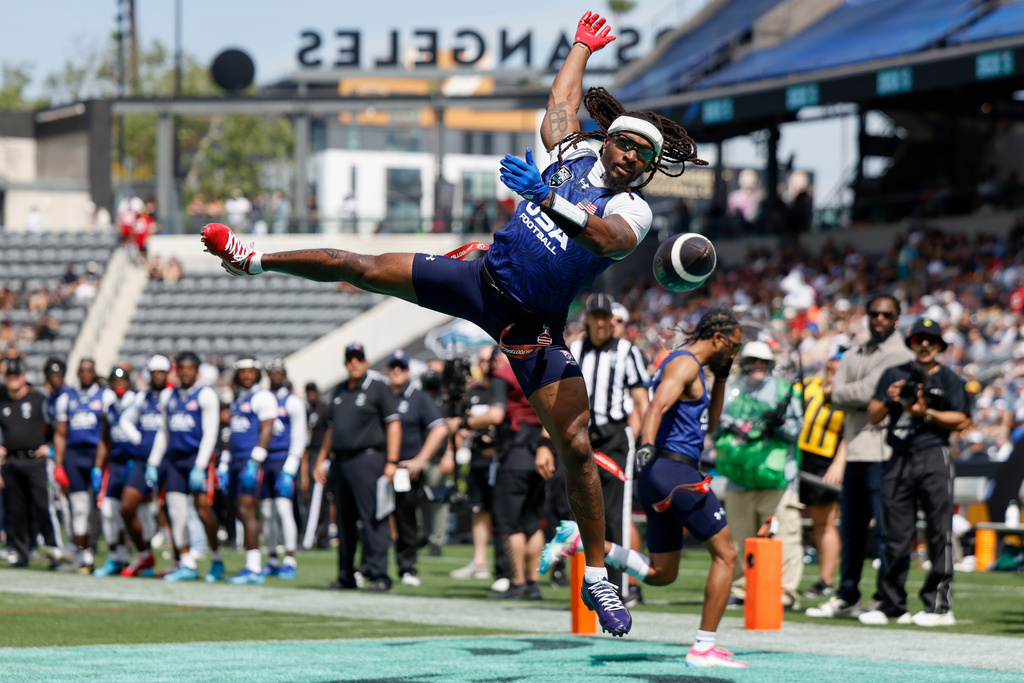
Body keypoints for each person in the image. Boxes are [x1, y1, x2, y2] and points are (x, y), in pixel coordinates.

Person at [201, 11, 706, 635]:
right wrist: (579, 47)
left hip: (532, 326)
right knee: (352, 264)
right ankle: (249, 259)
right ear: (609, 140)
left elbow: (602, 238)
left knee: (576, 448)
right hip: (477, 279)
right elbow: (560, 104)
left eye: (643, 153)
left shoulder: (633, 210)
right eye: (626, 142)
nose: (631, 156)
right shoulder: (573, 149)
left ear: (650, 168)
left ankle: (599, 575)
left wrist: (546, 198)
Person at [540, 308, 746, 667]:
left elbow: (710, 424)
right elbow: (655, 406)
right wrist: (647, 444)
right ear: (718, 339)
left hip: (663, 475)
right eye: (734, 347)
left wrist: (723, 378)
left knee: (662, 574)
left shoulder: (698, 371)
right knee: (726, 555)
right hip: (674, 470)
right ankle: (703, 647)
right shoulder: (684, 364)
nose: (734, 354)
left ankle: (582, 541)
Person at [807, 294, 914, 619]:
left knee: (885, 531)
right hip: (854, 449)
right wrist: (846, 393)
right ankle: (847, 595)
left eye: (886, 314)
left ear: (896, 318)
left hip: (884, 452)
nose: (879, 318)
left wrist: (838, 391)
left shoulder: (901, 354)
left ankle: (886, 599)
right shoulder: (854, 351)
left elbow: (866, 392)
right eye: (874, 313)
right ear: (867, 317)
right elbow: (847, 394)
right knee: (851, 529)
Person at [860, 318, 970, 626]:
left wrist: (928, 412)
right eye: (919, 339)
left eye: (931, 340)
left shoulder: (950, 379)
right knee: (895, 533)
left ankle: (938, 605)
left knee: (939, 530)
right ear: (910, 343)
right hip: (898, 455)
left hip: (934, 454)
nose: (924, 345)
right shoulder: (895, 375)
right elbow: (872, 415)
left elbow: (962, 419)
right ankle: (890, 603)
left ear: (940, 346)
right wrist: (889, 398)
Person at [565, 292, 649, 603]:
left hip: (615, 438)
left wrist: (637, 438)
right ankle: (589, 587)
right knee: (583, 509)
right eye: (595, 316)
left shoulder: (627, 351)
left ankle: (622, 589)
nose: (600, 322)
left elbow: (641, 400)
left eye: (605, 317)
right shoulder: (574, 349)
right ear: (587, 318)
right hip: (582, 437)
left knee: (615, 514)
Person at [716, 341, 804, 611]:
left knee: (784, 537)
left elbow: (796, 430)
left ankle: (785, 593)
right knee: (740, 538)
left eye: (761, 362)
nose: (756, 366)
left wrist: (778, 424)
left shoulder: (783, 390)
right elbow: (713, 427)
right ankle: (742, 590)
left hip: (777, 479)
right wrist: (730, 427)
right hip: (738, 476)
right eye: (752, 361)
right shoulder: (730, 391)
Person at [314, 343, 400, 593]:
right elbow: (332, 428)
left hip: (369, 459)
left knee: (373, 518)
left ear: (366, 361)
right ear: (345, 363)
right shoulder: (340, 390)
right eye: (350, 358)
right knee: (344, 521)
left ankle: (379, 575)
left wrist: (392, 462)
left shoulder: (378, 388)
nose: (354, 363)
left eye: (358, 358)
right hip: (341, 462)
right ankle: (345, 575)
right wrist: (321, 459)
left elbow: (393, 424)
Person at [144, 352, 224, 582]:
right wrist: (153, 462)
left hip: (196, 459)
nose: (186, 372)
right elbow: (164, 432)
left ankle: (217, 558)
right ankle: (187, 562)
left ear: (197, 370)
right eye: (182, 368)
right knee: (176, 513)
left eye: (190, 368)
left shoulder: (206, 394)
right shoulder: (169, 396)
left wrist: (200, 465)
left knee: (202, 511)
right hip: (174, 461)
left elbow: (210, 433)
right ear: (176, 370)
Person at [386, 350, 449, 587]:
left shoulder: (419, 397)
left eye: (401, 367)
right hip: (381, 467)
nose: (397, 371)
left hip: (404, 469)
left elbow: (439, 428)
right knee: (373, 518)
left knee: (406, 519)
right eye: (393, 366)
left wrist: (420, 459)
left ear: (408, 370)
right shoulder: (383, 395)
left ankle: (407, 568)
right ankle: (368, 567)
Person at [53, 358, 117, 573]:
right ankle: (84, 554)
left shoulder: (105, 396)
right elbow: (61, 434)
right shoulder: (66, 398)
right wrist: (59, 464)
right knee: (79, 508)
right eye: (82, 371)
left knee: (106, 507)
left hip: (97, 455)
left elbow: (107, 433)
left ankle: (117, 554)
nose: (86, 374)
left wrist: (100, 462)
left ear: (94, 372)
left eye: (89, 370)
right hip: (75, 455)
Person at [0, 358, 61, 568]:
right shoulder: (2, 401)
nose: (13, 380)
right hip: (12, 462)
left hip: (35, 461)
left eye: (16, 376)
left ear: (24, 377)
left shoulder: (38, 400)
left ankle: (53, 549)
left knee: (42, 506)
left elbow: (58, 425)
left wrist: (50, 446)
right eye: (9, 376)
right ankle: (22, 551)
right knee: (16, 510)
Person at [796, 349, 846, 600]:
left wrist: (838, 464)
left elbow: (852, 432)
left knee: (823, 523)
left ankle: (825, 580)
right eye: (830, 368)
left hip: (823, 460)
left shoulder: (847, 394)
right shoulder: (809, 385)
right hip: (796, 456)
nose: (832, 373)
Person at [222, 357, 277, 585]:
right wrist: (225, 462)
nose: (246, 375)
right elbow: (232, 432)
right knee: (240, 510)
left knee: (247, 510)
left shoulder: (263, 397)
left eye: (250, 371)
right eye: (242, 372)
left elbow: (267, 431)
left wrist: (256, 460)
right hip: (236, 460)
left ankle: (253, 566)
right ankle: (250, 563)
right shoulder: (238, 398)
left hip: (249, 460)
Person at [117, 355, 171, 577]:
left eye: (161, 372)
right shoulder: (143, 397)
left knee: (171, 511)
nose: (157, 376)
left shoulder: (171, 396)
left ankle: (181, 559)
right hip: (144, 460)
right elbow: (124, 420)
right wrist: (140, 440)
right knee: (126, 507)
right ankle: (143, 553)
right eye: (154, 372)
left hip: (168, 460)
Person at [260, 359, 307, 579]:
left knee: (283, 508)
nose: (276, 375)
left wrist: (290, 467)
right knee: (266, 512)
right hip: (265, 459)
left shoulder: (292, 402)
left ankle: (289, 557)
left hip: (282, 460)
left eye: (279, 372)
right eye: (272, 372)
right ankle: (271, 557)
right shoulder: (263, 399)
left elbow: (299, 437)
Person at [91, 367, 137, 576]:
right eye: (115, 381)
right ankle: (115, 556)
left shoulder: (137, 402)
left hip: (136, 462)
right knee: (109, 511)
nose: (119, 385)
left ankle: (140, 555)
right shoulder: (109, 408)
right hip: (116, 463)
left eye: (122, 380)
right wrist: (98, 467)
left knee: (138, 513)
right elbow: (105, 438)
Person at [299, 381, 332, 549]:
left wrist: (324, 459)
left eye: (313, 391)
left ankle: (316, 537)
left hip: (322, 455)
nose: (311, 394)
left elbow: (330, 432)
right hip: (310, 454)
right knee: (312, 498)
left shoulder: (324, 409)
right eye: (308, 391)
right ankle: (314, 535)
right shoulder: (307, 411)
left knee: (320, 497)